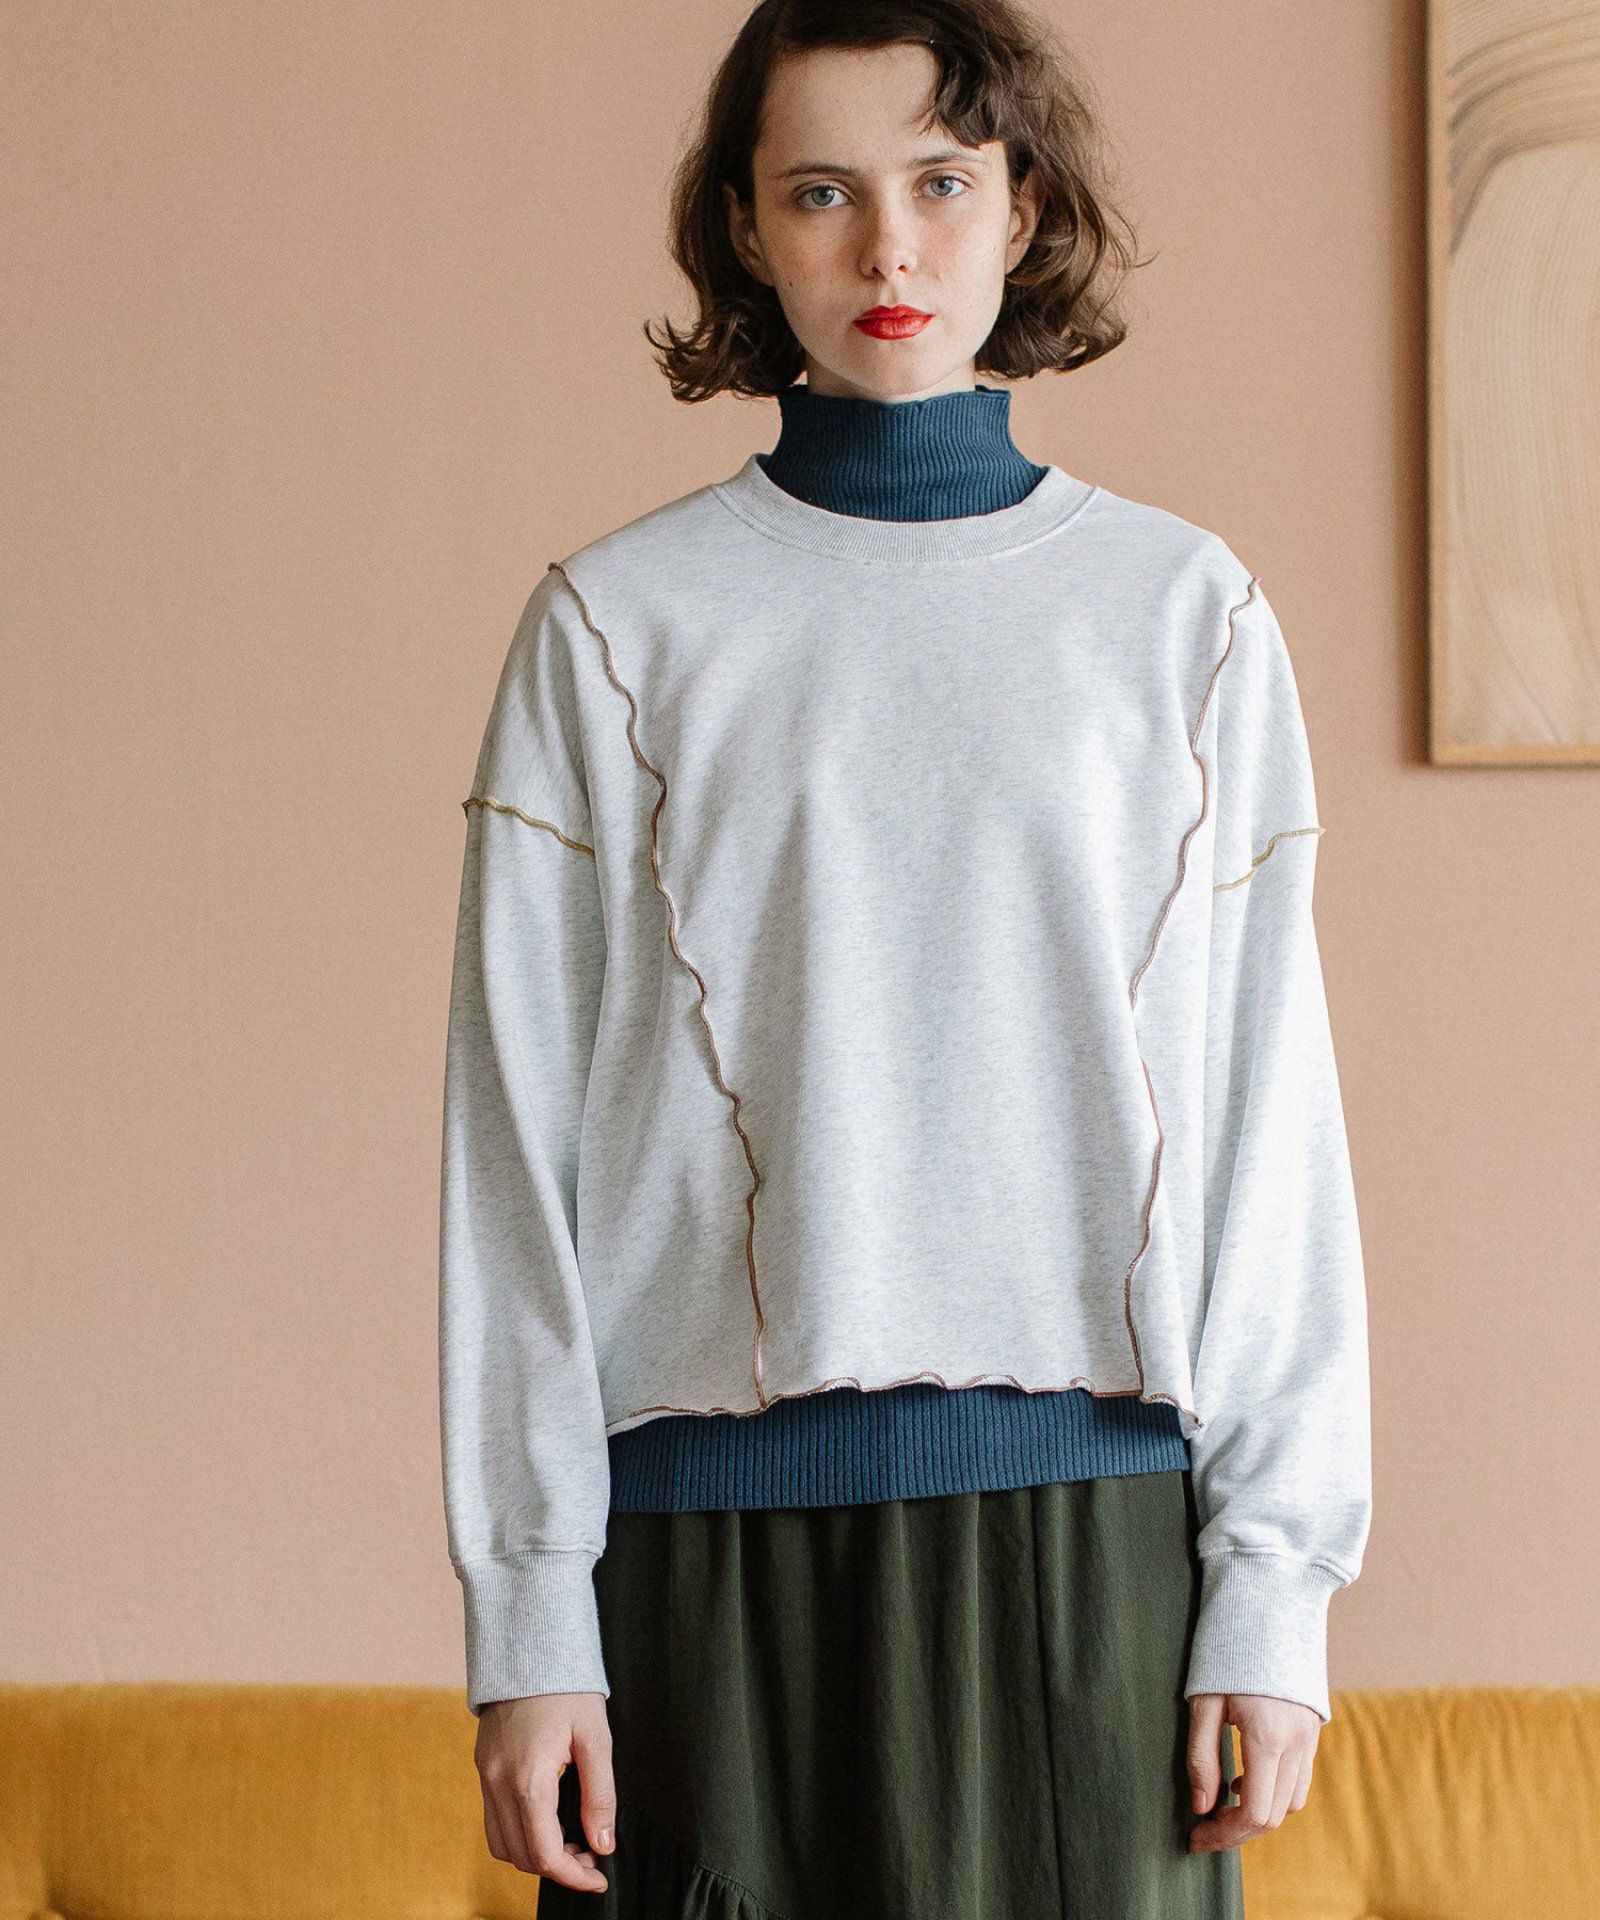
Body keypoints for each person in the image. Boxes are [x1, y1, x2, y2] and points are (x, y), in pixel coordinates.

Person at [437, 1, 1373, 1912]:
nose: (888, 247)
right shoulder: (615, 628)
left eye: (942, 183)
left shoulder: (1184, 619)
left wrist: (1273, 1589)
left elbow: (1272, 1129)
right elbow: (512, 1158)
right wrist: (530, 1617)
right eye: (821, 192)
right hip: (697, 1568)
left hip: (1097, 1560)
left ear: (1021, 209)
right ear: (745, 225)